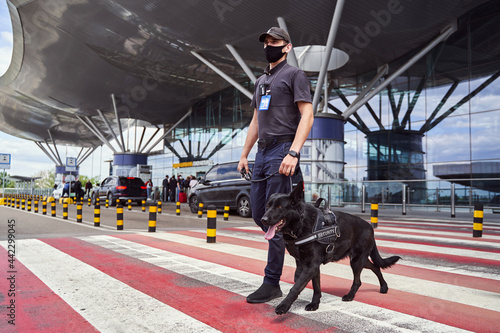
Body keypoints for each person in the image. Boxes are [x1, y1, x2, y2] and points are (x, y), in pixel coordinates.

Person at [237, 27, 314, 304]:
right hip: (262, 152)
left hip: (283, 149)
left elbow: (308, 114)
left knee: (276, 220)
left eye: (275, 42)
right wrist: (244, 154)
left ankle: (272, 282)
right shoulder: (260, 82)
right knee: (261, 216)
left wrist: (293, 152)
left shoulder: (295, 75)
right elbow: (256, 120)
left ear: (287, 47)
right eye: (266, 42)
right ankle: (299, 252)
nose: (270, 45)